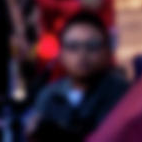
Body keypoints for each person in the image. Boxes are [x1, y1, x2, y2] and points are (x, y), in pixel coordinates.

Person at [27, 12, 128, 142]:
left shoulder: (121, 95)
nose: (82, 54)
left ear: (107, 51)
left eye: (92, 46)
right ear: (61, 54)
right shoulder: (49, 96)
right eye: (73, 47)